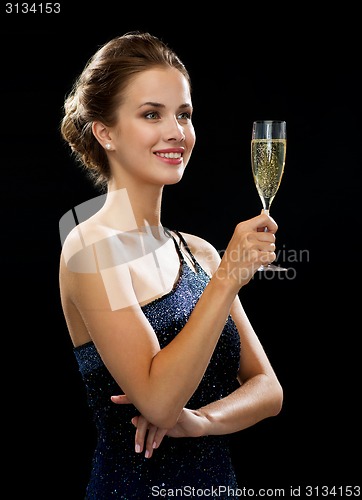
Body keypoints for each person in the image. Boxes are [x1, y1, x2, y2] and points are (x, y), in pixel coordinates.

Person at [59, 31, 283, 499]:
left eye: (184, 114)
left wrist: (201, 421)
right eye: (151, 114)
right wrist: (227, 279)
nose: (176, 132)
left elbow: (268, 389)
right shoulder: (88, 247)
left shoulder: (199, 253)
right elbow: (159, 403)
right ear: (106, 133)